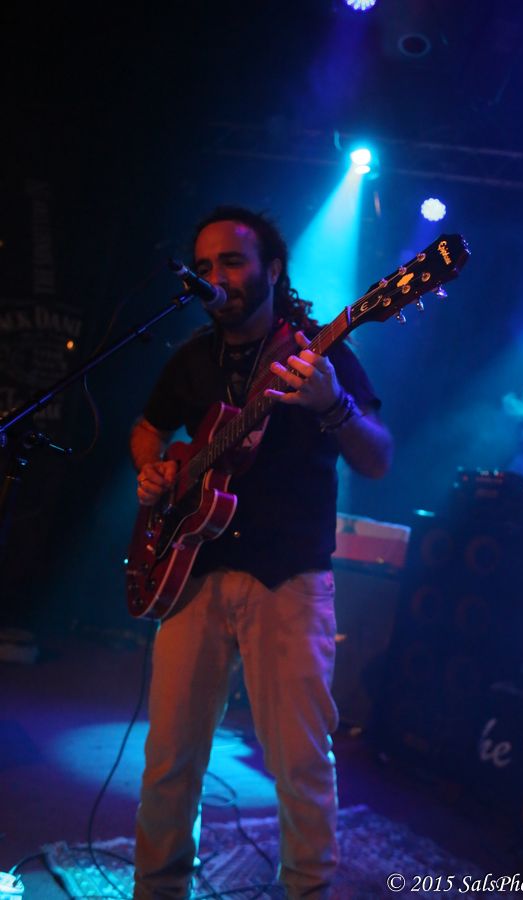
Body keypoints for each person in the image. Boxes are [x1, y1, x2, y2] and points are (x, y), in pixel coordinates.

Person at [130, 206, 393, 900]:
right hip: (194, 573)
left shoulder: (321, 353)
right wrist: (154, 469)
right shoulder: (192, 359)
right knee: (169, 760)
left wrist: (333, 405)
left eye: (232, 261)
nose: (216, 276)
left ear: (272, 269)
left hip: (289, 580)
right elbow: (147, 428)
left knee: (299, 763)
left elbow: (378, 459)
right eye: (205, 266)